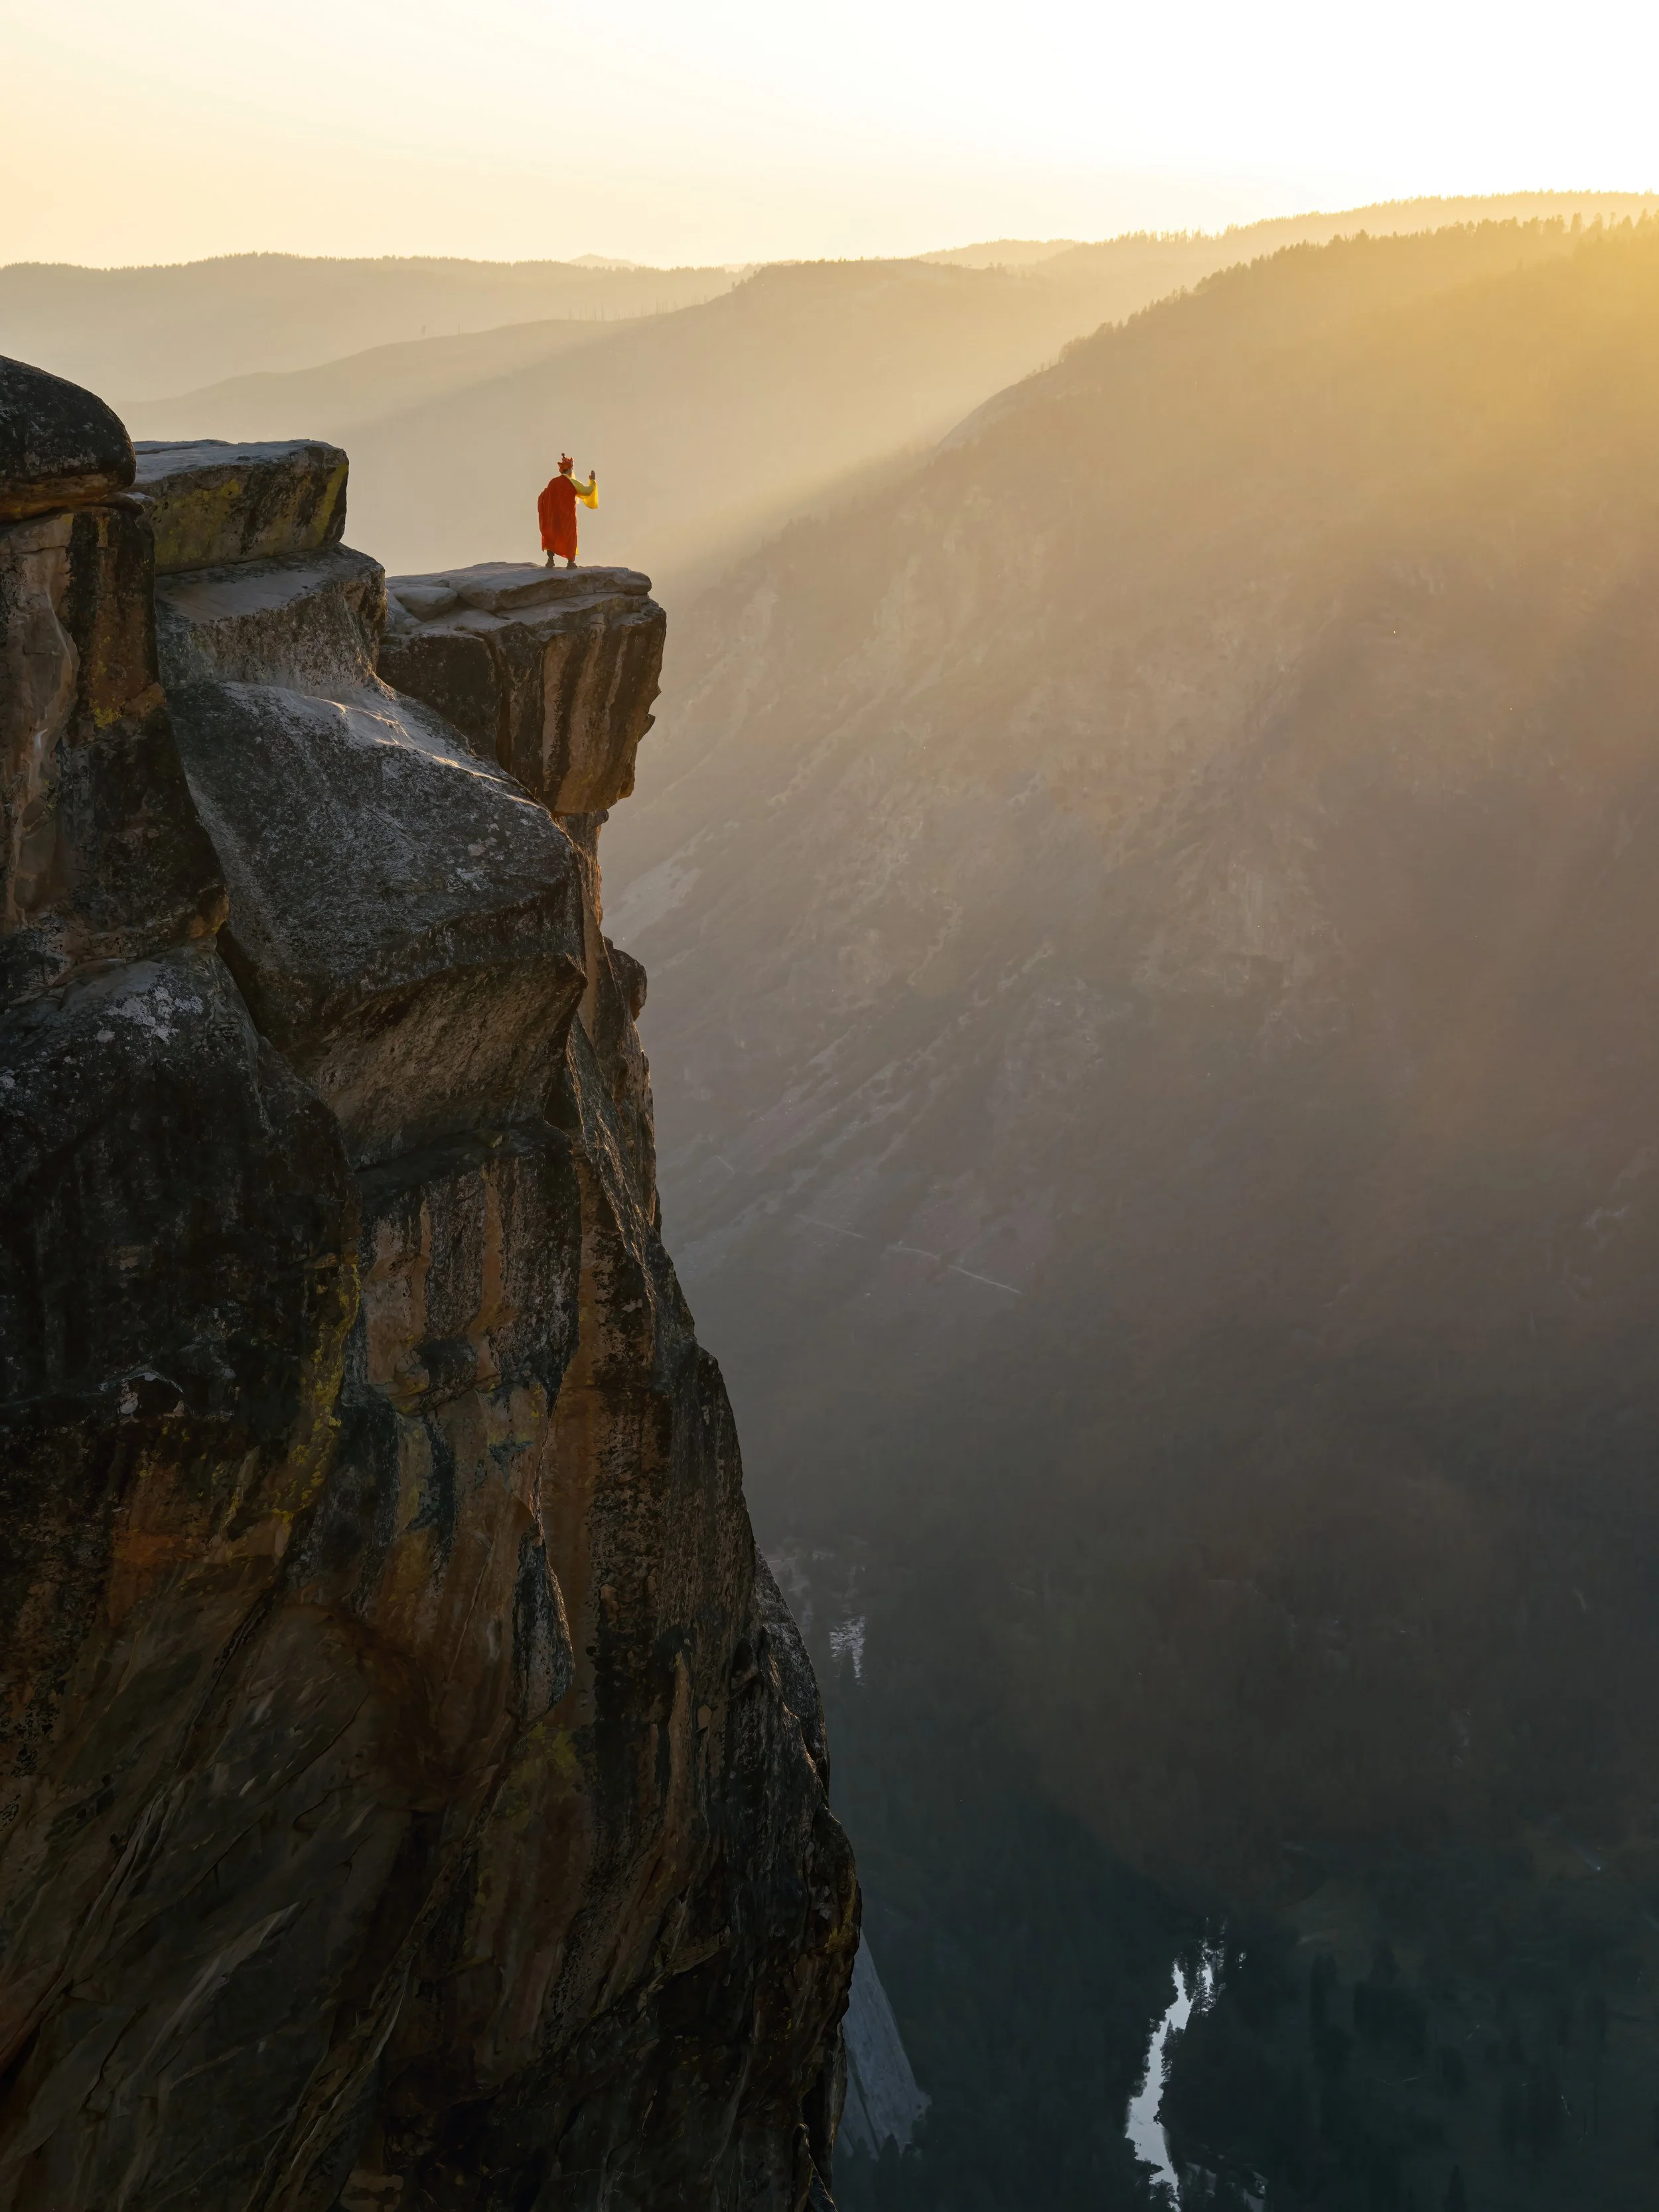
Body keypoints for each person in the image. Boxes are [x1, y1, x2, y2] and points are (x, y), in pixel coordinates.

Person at [538, 453, 598, 567]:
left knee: (552, 534)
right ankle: (570, 562)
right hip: (568, 517)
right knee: (569, 537)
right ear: (570, 469)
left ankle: (550, 560)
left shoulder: (553, 482)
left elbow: (544, 496)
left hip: (554, 516)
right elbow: (587, 491)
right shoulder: (573, 483)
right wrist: (593, 481)